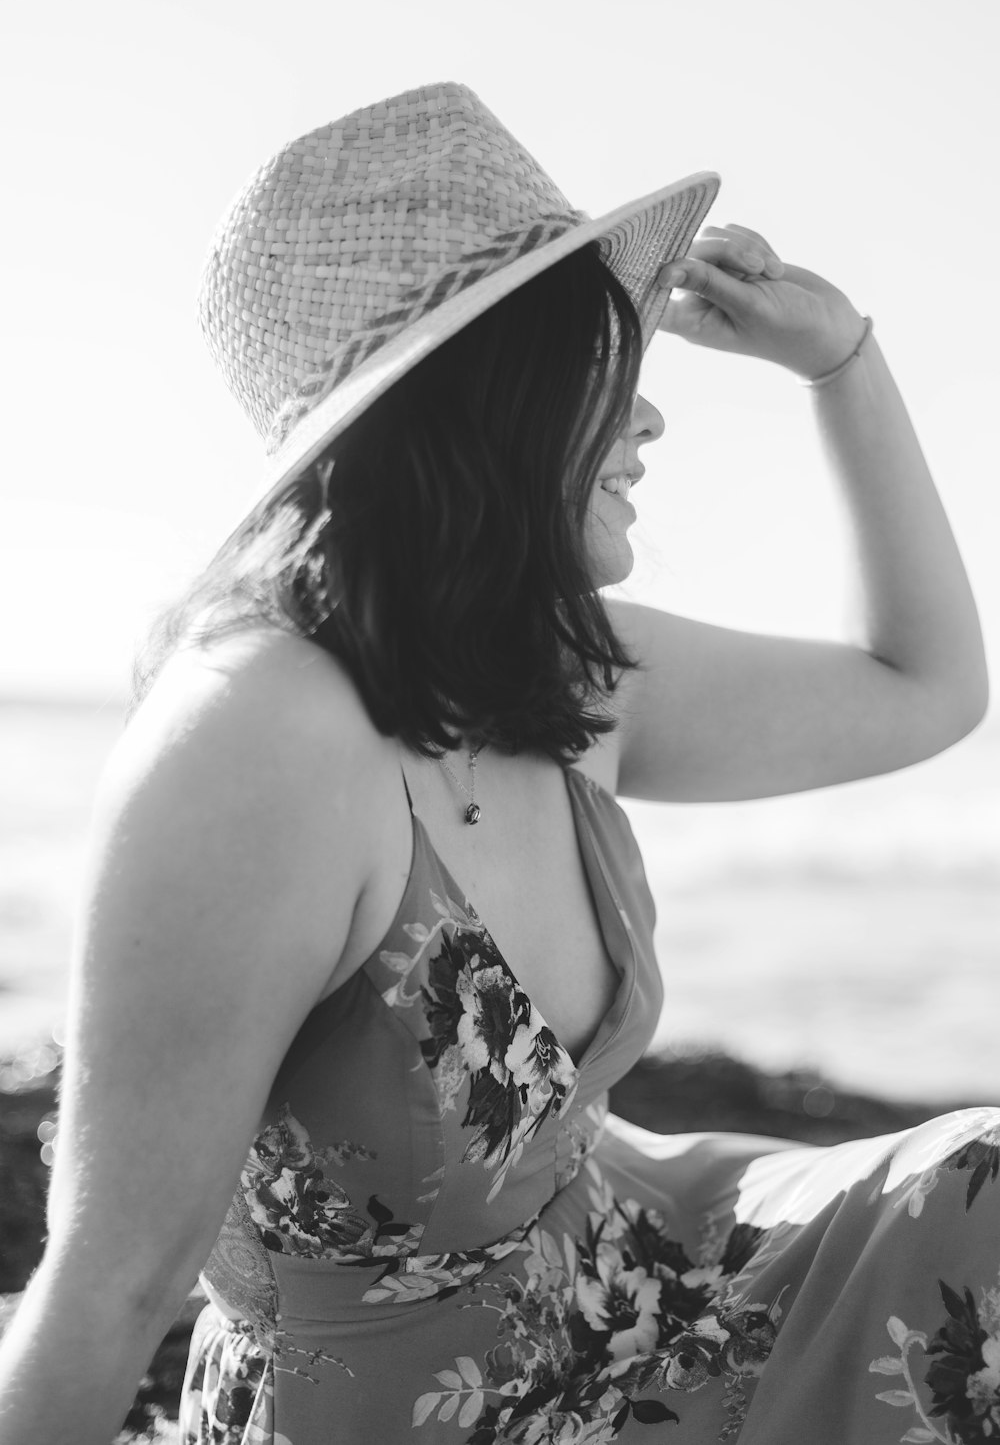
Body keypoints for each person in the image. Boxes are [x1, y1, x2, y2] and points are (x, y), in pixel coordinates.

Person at [0, 81, 994, 1445]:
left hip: (644, 1282)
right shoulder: (253, 744)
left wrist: (843, 365)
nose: (651, 422)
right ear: (491, 395)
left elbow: (925, 691)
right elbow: (108, 1286)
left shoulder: (560, 669)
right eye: (607, 366)